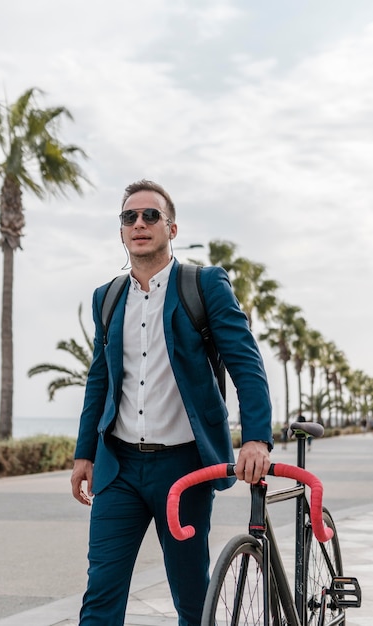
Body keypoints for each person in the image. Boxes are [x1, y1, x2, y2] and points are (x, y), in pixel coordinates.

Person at [71, 179, 273, 626]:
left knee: (190, 596)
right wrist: (85, 452)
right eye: (129, 217)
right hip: (118, 468)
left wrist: (257, 438)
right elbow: (99, 379)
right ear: (121, 231)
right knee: (100, 595)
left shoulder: (203, 285)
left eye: (150, 216)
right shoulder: (107, 298)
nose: (139, 224)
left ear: (171, 228)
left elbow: (246, 363)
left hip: (184, 468)